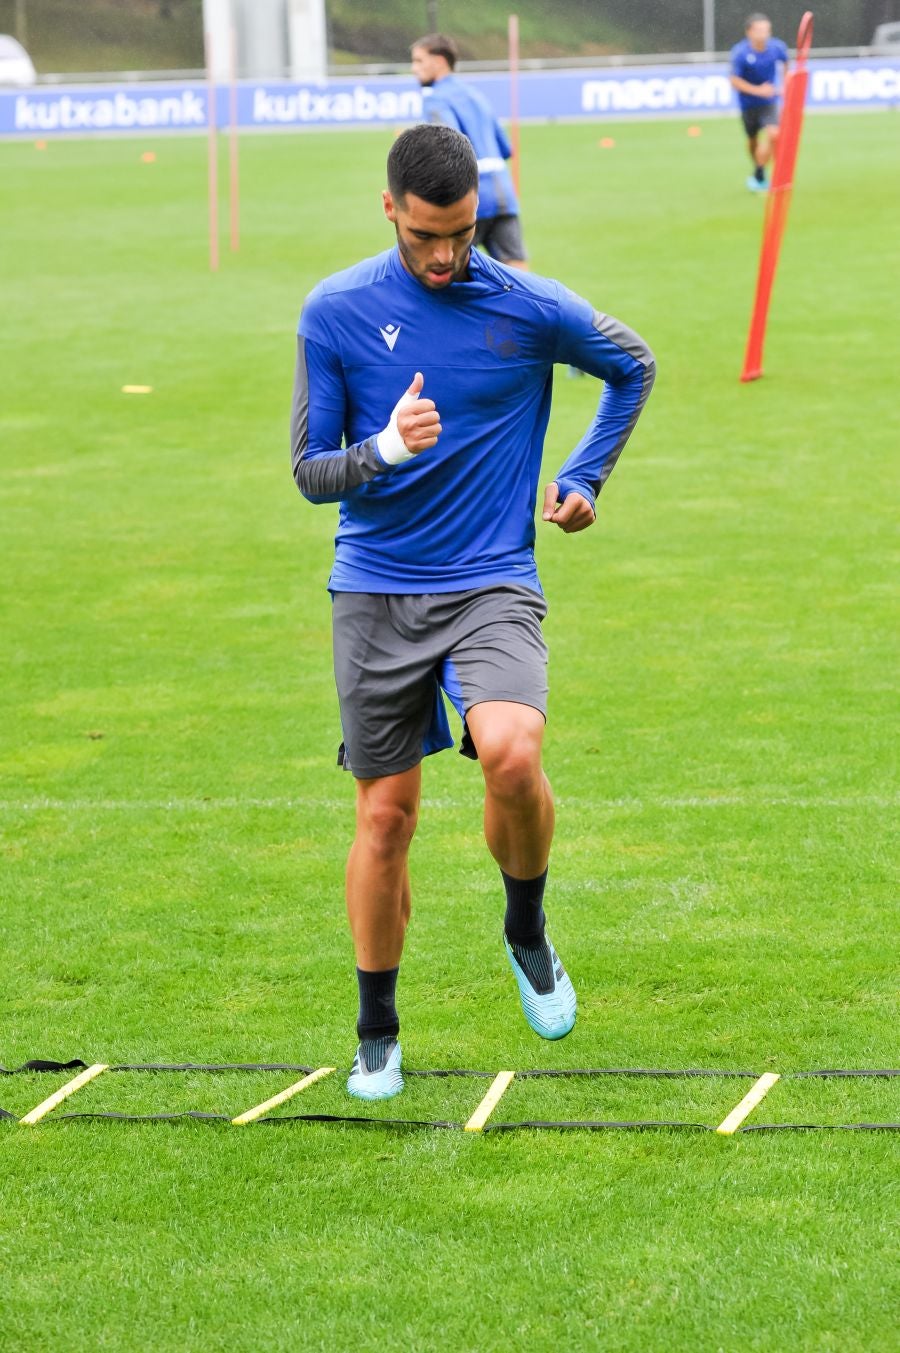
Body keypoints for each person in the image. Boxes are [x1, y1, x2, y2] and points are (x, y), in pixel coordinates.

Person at [291, 124, 655, 1101]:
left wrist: (584, 477)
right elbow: (310, 473)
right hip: (373, 589)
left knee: (512, 754)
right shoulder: (335, 312)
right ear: (390, 212)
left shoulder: (529, 305)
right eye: (425, 237)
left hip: (491, 578)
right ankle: (378, 1034)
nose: (446, 255)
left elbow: (634, 365)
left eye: (463, 234)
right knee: (387, 819)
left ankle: (526, 929)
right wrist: (385, 453)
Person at [411, 32, 528, 271]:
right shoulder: (476, 96)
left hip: (468, 198)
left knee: (447, 275)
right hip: (504, 194)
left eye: (419, 61)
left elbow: (447, 150)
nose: (414, 69)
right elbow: (506, 148)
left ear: (439, 61)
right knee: (519, 277)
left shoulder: (436, 100)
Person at [730, 13, 789, 193]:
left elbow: (786, 66)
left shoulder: (777, 47)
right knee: (752, 140)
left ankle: (759, 173)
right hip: (748, 104)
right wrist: (758, 90)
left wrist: (785, 86)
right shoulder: (740, 52)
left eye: (767, 30)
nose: (764, 33)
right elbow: (734, 81)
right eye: (759, 30)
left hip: (769, 102)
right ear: (749, 32)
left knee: (774, 134)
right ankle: (759, 170)